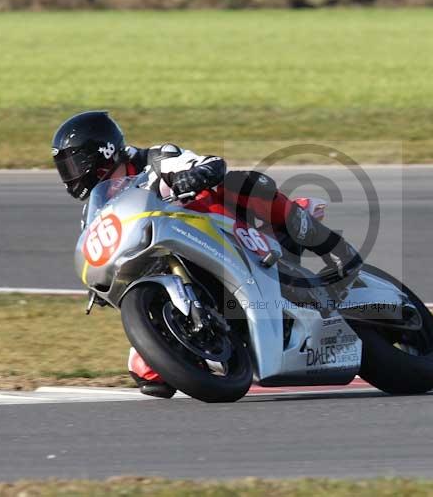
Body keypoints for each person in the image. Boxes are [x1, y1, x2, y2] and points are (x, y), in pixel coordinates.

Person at [51, 110, 362, 398]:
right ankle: (210, 342)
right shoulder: (94, 212)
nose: (69, 173)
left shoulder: (157, 158)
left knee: (242, 183)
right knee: (146, 373)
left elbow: (211, 164)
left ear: (102, 152)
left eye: (72, 163)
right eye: (63, 166)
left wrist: (195, 175)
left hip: (223, 231)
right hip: (169, 266)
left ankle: (334, 247)